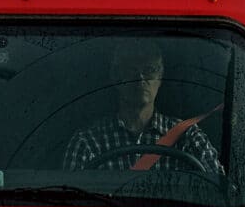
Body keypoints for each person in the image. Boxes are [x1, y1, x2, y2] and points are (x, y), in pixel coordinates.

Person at [60, 37, 221, 175]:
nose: (140, 78)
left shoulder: (187, 136)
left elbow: (220, 195)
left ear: (160, 76)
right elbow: (70, 204)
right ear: (116, 77)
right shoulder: (88, 142)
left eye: (149, 70)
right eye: (130, 70)